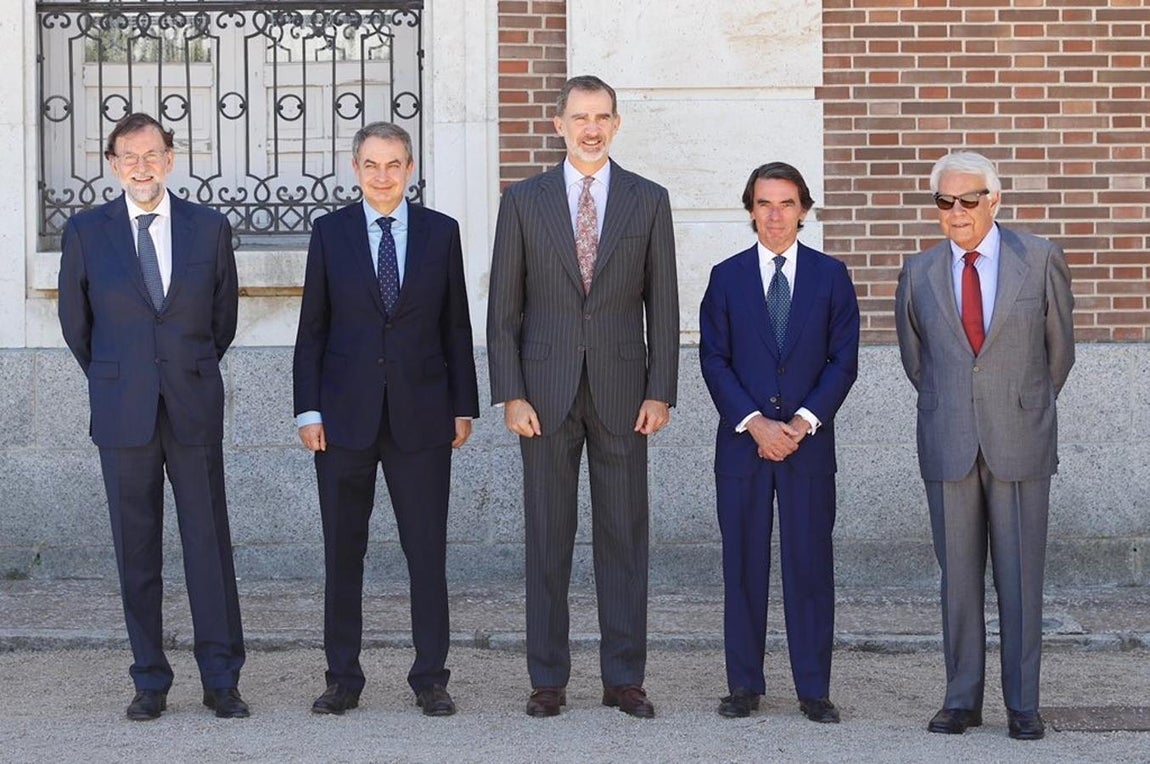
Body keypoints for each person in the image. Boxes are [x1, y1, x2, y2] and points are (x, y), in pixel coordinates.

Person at [487, 75, 679, 718]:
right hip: (543, 394)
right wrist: (510, 392)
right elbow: (503, 311)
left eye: (602, 117)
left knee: (624, 536)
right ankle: (548, 678)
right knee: (548, 537)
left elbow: (665, 304)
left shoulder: (649, 200)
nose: (591, 128)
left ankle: (624, 677)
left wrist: (661, 390)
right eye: (580, 117)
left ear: (617, 124)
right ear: (558, 123)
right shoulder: (523, 200)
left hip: (626, 393)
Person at [58, 112, 248, 720]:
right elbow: (76, 326)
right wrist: (124, 377)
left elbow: (222, 322)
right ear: (113, 164)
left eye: (152, 154)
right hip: (123, 412)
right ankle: (150, 680)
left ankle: (221, 679)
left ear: (170, 158)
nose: (142, 167)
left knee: (207, 545)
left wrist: (181, 369)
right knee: (136, 548)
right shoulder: (87, 232)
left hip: (192, 405)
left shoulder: (208, 228)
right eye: (129, 157)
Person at [293, 121, 479, 717]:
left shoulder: (440, 232)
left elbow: (456, 325)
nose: (382, 176)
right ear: (356, 168)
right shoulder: (330, 234)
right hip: (343, 420)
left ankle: (430, 678)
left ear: (410, 167)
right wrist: (308, 409)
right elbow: (313, 328)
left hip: (423, 418)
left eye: (393, 164)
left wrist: (463, 404)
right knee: (343, 553)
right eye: (371, 165)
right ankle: (342, 678)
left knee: (426, 553)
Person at [895, 151, 1075, 741]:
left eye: (968, 199)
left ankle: (1023, 703)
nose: (956, 212)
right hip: (949, 441)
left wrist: (1020, 404)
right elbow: (917, 361)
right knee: (958, 580)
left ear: (994, 201)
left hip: (1020, 439)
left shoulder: (1040, 257)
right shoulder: (917, 271)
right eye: (944, 202)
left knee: (1022, 577)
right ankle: (961, 699)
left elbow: (1059, 353)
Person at [699, 162, 860, 723]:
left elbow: (844, 360)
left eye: (786, 203)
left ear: (804, 211)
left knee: (809, 565)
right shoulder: (726, 276)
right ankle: (744, 685)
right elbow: (713, 359)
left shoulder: (831, 276)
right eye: (764, 203)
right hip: (744, 447)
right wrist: (754, 421)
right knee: (743, 565)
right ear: (750, 210)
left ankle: (813, 688)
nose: (774, 215)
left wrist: (803, 421)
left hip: (808, 447)